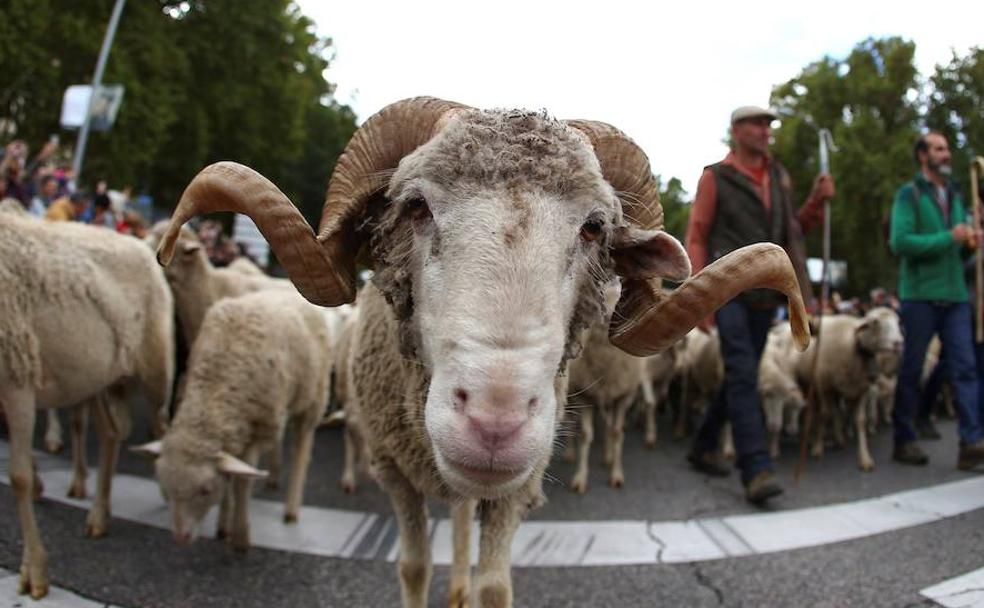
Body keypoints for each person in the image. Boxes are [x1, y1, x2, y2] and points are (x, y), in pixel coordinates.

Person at [684, 105, 835, 505]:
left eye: (769, 125)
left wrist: (816, 203)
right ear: (736, 130)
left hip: (769, 292)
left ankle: (703, 444)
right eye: (757, 124)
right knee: (743, 370)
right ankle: (756, 467)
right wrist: (701, 296)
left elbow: (792, 232)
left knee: (741, 371)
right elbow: (697, 235)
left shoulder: (779, 176)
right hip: (729, 291)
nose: (766, 130)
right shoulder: (715, 177)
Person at [889, 131, 984, 471]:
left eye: (947, 149)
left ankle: (971, 441)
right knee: (913, 366)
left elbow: (959, 246)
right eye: (939, 149)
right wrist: (949, 238)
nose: (947, 154)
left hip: (955, 294)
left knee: (965, 367)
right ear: (922, 156)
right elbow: (900, 243)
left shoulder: (957, 194)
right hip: (920, 296)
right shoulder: (909, 194)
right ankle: (904, 437)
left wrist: (971, 240)